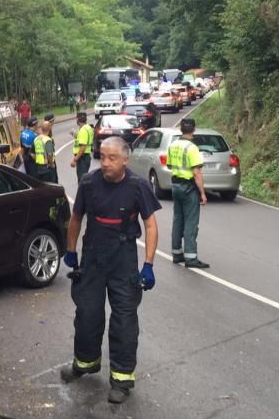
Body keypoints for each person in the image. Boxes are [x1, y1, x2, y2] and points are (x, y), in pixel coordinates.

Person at [61, 137, 160, 404]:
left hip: (123, 259)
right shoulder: (89, 183)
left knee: (124, 321)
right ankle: (85, 362)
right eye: (102, 156)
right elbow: (76, 217)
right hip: (92, 257)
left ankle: (122, 379)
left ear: (125, 160)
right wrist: (71, 250)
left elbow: (150, 226)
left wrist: (148, 265)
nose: (105, 162)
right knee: (87, 314)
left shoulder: (138, 186)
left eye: (112, 157)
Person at [167, 117, 209, 268]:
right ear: (194, 130)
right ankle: (191, 258)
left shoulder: (173, 145)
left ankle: (177, 254)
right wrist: (203, 193)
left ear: (181, 129)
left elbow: (170, 165)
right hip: (188, 188)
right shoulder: (192, 148)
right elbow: (196, 172)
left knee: (178, 220)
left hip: (176, 186)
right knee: (191, 222)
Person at [70, 111, 94, 180]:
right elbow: (83, 139)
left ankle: (82, 191)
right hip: (85, 157)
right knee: (83, 179)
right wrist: (75, 135)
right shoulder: (87, 127)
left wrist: (75, 159)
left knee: (81, 180)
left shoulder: (83, 130)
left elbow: (83, 147)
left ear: (77, 119)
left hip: (82, 158)